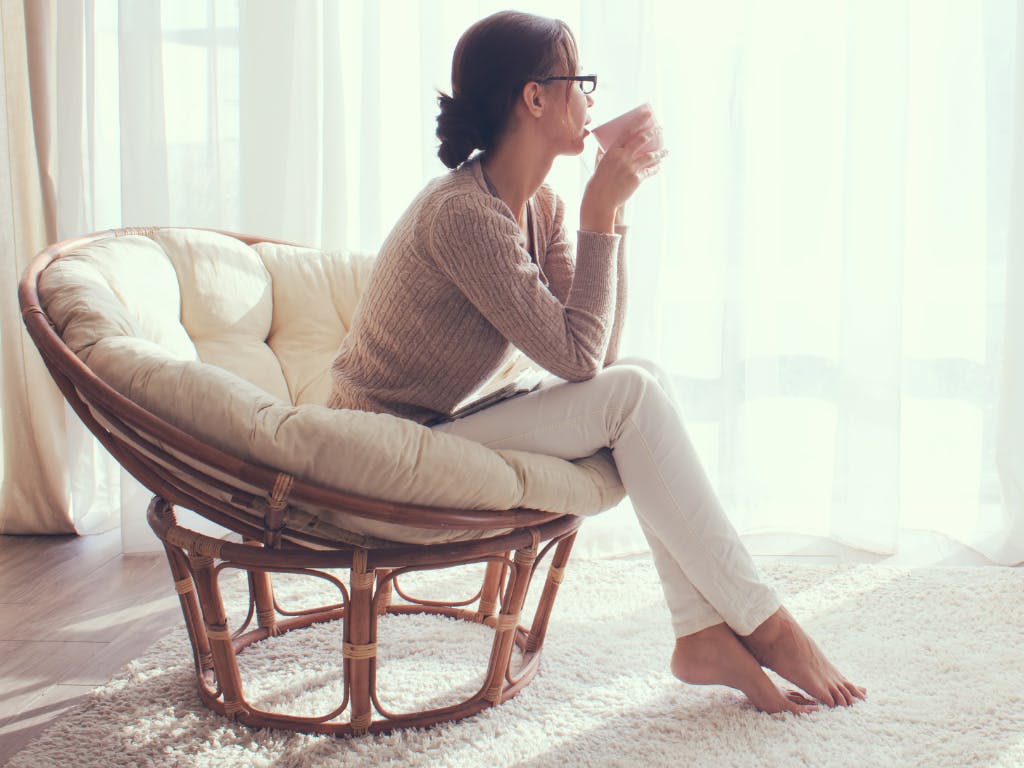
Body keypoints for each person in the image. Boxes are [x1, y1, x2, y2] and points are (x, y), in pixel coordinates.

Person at [327, 10, 866, 715]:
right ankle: (766, 624)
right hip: (384, 447)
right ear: (535, 97)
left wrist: (607, 217)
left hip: (437, 426)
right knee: (632, 394)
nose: (592, 99)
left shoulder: (537, 206)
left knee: (642, 378)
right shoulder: (463, 214)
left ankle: (702, 631)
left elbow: (598, 354)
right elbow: (584, 360)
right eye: (580, 80)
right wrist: (598, 208)